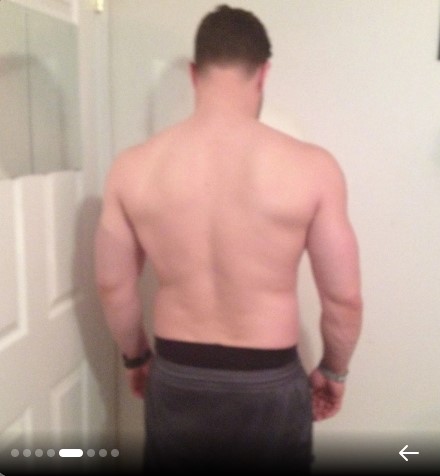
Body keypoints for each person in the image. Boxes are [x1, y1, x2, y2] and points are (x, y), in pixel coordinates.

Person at [95, 4, 362, 473]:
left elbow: (113, 286)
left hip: (178, 373)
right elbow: (343, 300)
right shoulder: (312, 168)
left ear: (194, 73)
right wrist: (333, 370)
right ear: (263, 73)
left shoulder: (132, 168)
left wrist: (136, 359)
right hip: (267, 380)